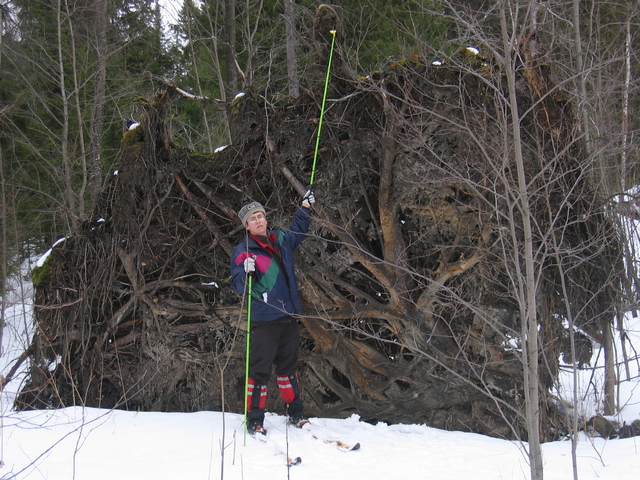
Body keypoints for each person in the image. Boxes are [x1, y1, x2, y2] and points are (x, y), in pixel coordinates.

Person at [230, 190, 315, 436]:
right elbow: (237, 285)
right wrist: (243, 272)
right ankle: (255, 420)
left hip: (288, 316)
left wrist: (306, 208)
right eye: (252, 219)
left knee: (289, 368)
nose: (258, 221)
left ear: (266, 219)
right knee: (259, 372)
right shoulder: (243, 250)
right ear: (246, 226)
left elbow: (299, 230)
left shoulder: (280, 239)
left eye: (260, 216)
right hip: (263, 319)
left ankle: (296, 413)